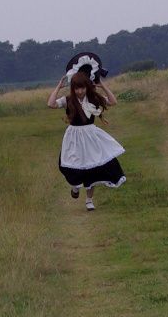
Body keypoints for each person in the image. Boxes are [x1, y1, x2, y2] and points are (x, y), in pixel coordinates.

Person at [46, 59, 127, 210]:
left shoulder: (94, 98)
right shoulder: (68, 100)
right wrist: (58, 86)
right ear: (73, 88)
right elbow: (50, 104)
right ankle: (75, 186)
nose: (80, 91)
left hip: (90, 135)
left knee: (93, 166)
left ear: (87, 86)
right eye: (76, 88)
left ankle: (89, 200)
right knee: (71, 164)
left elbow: (112, 101)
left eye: (82, 88)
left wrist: (102, 86)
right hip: (73, 136)